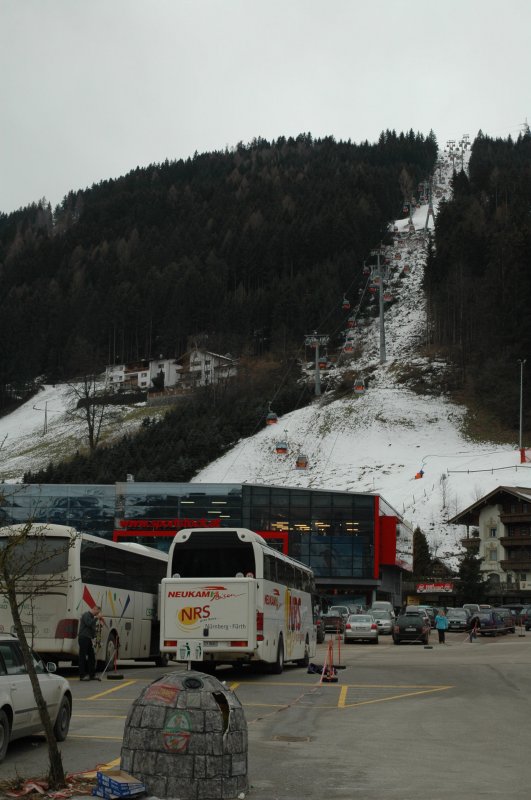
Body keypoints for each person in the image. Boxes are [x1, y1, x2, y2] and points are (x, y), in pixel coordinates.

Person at [78, 605, 103, 681]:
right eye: (97, 612)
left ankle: (92, 675)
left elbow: (92, 629)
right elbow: (88, 623)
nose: (97, 614)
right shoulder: (86, 615)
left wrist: (95, 637)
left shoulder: (92, 617)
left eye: (98, 613)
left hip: (88, 638)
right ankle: (82, 675)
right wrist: (97, 618)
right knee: (82, 657)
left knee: (92, 657)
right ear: (94, 609)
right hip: (83, 638)